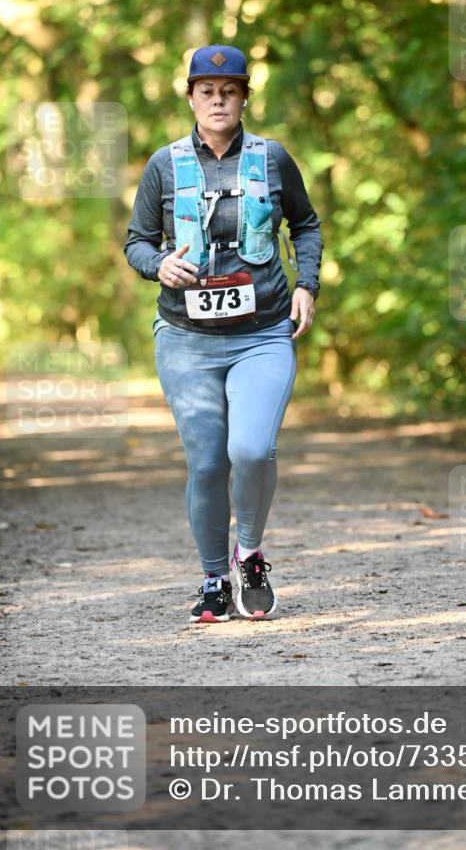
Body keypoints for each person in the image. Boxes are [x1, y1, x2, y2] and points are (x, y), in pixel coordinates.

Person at [124, 44, 322, 624]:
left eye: (230, 91)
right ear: (191, 98)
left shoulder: (271, 157)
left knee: (252, 449)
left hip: (263, 331)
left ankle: (249, 554)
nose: (218, 100)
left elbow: (305, 225)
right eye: (207, 91)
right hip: (186, 338)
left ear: (244, 99)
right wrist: (157, 265)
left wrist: (307, 284)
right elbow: (137, 241)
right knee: (209, 462)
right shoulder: (163, 165)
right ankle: (214, 579)